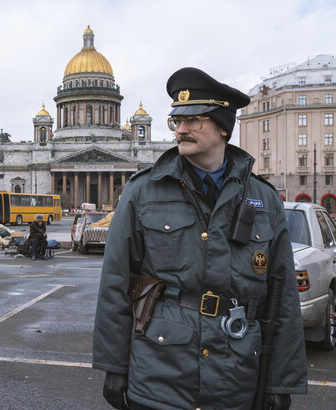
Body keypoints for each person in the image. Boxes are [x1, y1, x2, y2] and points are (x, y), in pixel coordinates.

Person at [93, 67, 307, 410]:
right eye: (176, 120)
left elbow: (282, 297)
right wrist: (113, 365)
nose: (180, 129)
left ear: (222, 127)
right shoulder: (141, 192)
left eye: (193, 120)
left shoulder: (264, 199)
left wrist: (281, 380)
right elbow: (115, 284)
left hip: (237, 377)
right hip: (160, 376)